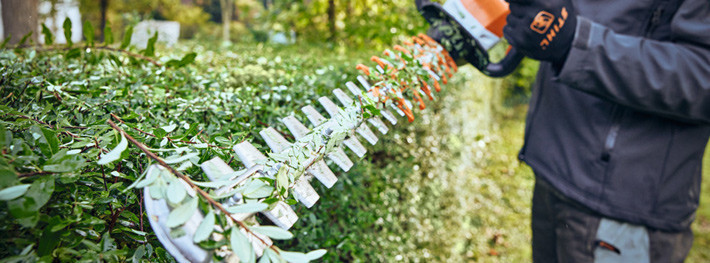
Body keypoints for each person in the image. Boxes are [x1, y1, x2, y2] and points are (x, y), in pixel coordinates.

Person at [421, 0, 710, 261]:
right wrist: (468, 22)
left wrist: (575, 42)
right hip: (555, 165)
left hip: (623, 200)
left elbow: (703, 74)